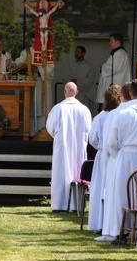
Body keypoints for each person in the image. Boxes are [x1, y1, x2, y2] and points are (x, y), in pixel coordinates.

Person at [105, 79, 137, 243]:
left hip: (126, 154)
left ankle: (123, 231)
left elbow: (112, 141)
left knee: (122, 193)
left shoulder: (121, 112)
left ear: (130, 94)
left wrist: (117, 155)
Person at [46, 82, 92, 211]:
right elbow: (89, 128)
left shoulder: (58, 108)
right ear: (76, 92)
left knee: (62, 172)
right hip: (78, 146)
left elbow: (50, 127)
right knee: (77, 172)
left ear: (64, 92)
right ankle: (76, 204)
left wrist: (58, 136)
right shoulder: (84, 110)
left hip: (63, 146)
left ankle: (60, 204)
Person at [87, 85, 121, 233]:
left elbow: (93, 139)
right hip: (118, 155)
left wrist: (101, 147)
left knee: (101, 188)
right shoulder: (120, 115)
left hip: (103, 155)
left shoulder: (100, 117)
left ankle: (99, 222)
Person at [14, 37, 54, 132]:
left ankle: (42, 131)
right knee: (30, 108)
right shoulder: (26, 52)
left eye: (36, 42)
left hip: (42, 83)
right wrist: (14, 64)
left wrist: (39, 70)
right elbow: (19, 62)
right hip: (30, 85)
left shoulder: (46, 53)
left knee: (42, 109)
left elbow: (51, 68)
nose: (34, 44)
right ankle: (29, 132)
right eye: (32, 42)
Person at [95, 33, 130, 107]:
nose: (109, 43)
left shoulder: (120, 53)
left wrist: (103, 66)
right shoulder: (117, 53)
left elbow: (115, 68)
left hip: (116, 84)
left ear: (117, 42)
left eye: (111, 41)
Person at [67, 46, 96, 113]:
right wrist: (70, 82)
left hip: (83, 93)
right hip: (72, 93)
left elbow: (90, 80)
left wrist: (77, 81)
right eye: (75, 52)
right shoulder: (72, 64)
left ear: (83, 53)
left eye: (78, 52)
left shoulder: (88, 66)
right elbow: (67, 76)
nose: (76, 53)